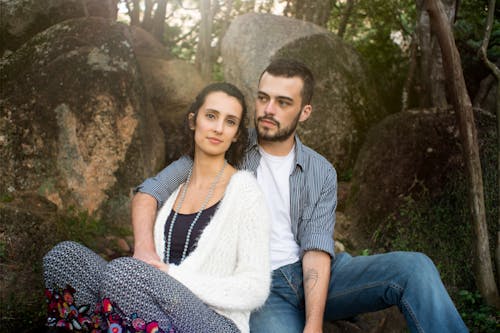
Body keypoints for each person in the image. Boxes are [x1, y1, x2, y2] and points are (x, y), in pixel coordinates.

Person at [132, 59, 469, 333]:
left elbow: (316, 248)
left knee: (414, 267)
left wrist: (313, 324)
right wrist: (145, 252)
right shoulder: (227, 142)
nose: (268, 110)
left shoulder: (320, 171)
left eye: (283, 102)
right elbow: (150, 191)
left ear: (305, 112)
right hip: (260, 287)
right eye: (263, 98)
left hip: (323, 275)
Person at [43, 82, 271, 333]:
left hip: (216, 321)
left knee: (125, 273)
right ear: (193, 121)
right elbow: (145, 198)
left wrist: (172, 276)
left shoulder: (246, 191)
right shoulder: (175, 189)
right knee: (65, 258)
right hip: (160, 309)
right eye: (211, 116)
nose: (218, 128)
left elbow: (255, 288)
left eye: (230, 122)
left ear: (237, 134)